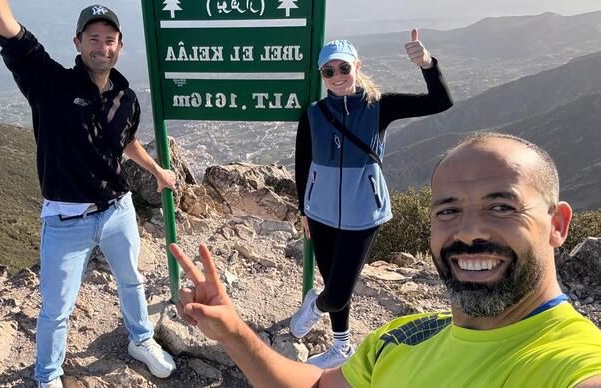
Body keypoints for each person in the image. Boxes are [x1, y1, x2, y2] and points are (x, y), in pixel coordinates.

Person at [170, 133, 601, 387]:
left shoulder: (571, 360)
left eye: (502, 207)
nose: (469, 231)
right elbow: (318, 386)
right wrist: (232, 332)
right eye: (448, 210)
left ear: (557, 224)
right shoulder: (404, 335)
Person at [0, 0, 177, 386]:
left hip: (118, 209)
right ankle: (47, 376)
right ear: (77, 43)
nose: (102, 46)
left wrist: (156, 170)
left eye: (109, 39)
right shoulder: (48, 82)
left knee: (132, 280)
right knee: (57, 309)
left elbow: (126, 141)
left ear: (120, 46)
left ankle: (140, 339)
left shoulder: (125, 97)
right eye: (93, 38)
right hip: (66, 220)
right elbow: (6, 25)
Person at [292, 30, 454, 367]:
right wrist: (303, 210)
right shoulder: (313, 114)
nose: (337, 76)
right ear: (322, 75)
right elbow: (302, 162)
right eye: (329, 71)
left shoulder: (379, 106)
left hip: (363, 212)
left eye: (343, 68)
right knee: (333, 281)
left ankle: (316, 305)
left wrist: (426, 64)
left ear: (357, 66)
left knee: (336, 293)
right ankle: (341, 346)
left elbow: (440, 102)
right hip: (320, 212)